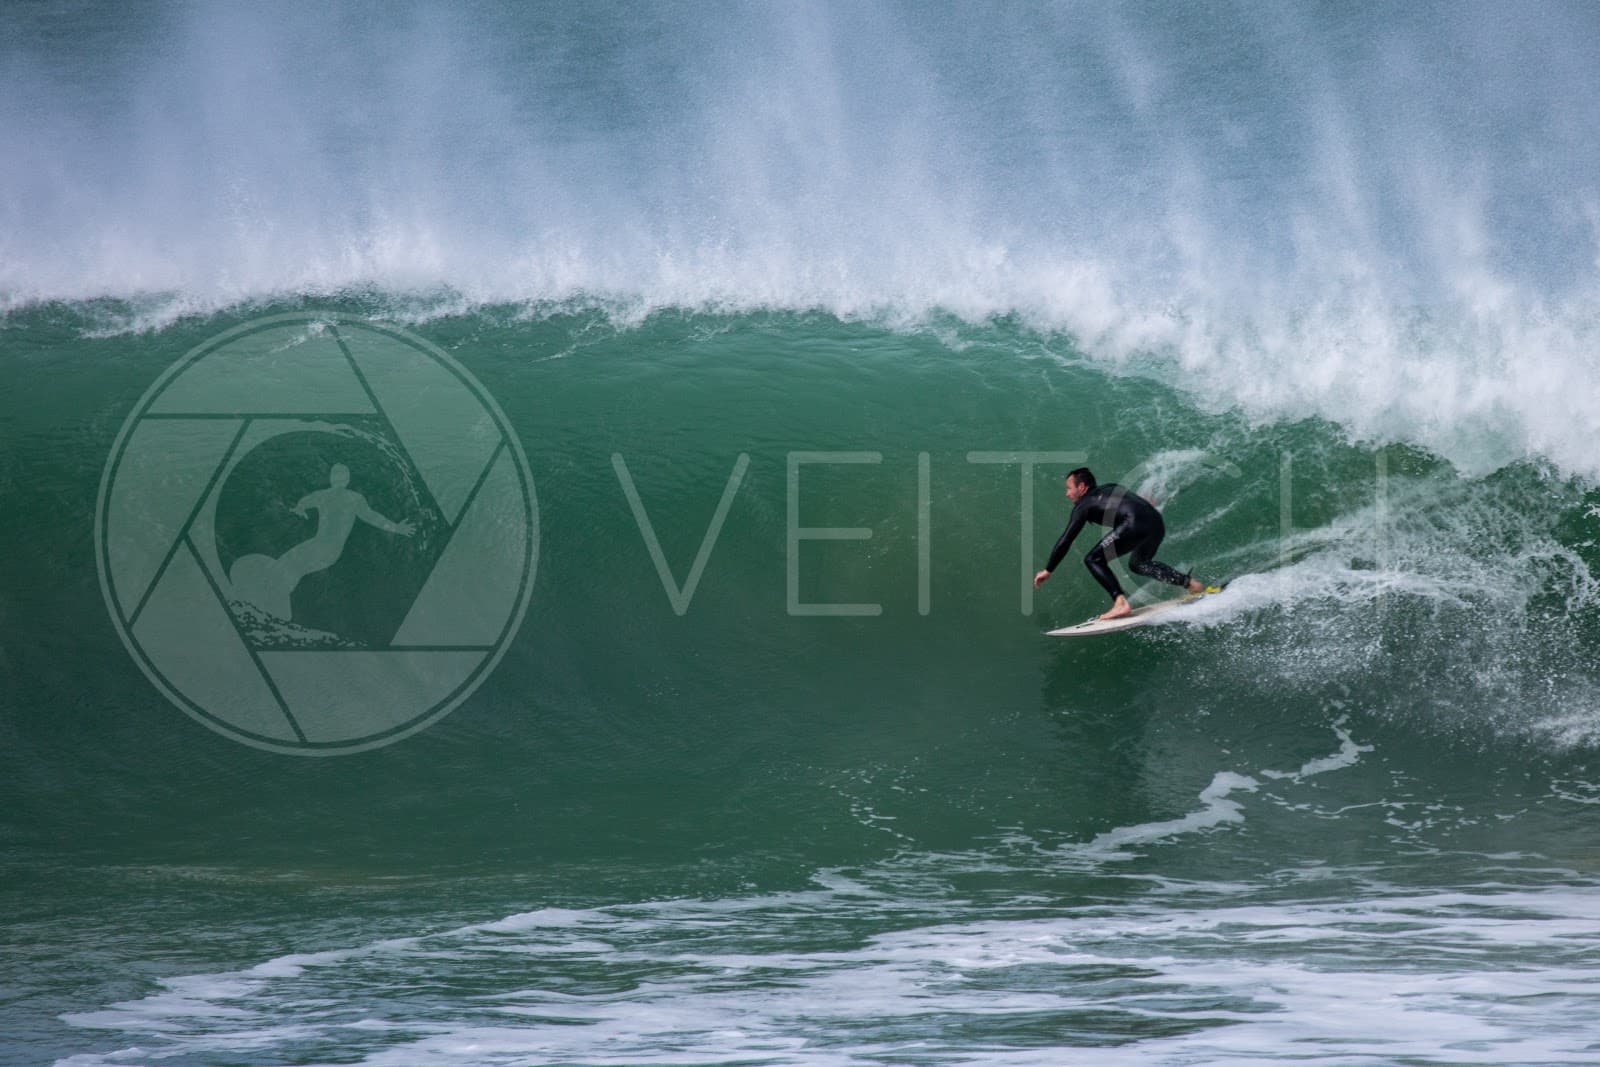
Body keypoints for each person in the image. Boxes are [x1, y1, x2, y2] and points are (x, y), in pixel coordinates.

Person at [1032, 467, 1212, 621]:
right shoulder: (1110, 486)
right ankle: (1191, 584)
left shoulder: (1083, 505)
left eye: (1069, 488)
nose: (1067, 493)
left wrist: (1048, 569)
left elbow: (1066, 539)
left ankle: (1120, 602)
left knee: (1093, 559)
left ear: (1081, 487)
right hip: (1155, 521)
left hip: (1132, 523)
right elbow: (1131, 501)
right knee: (1138, 564)